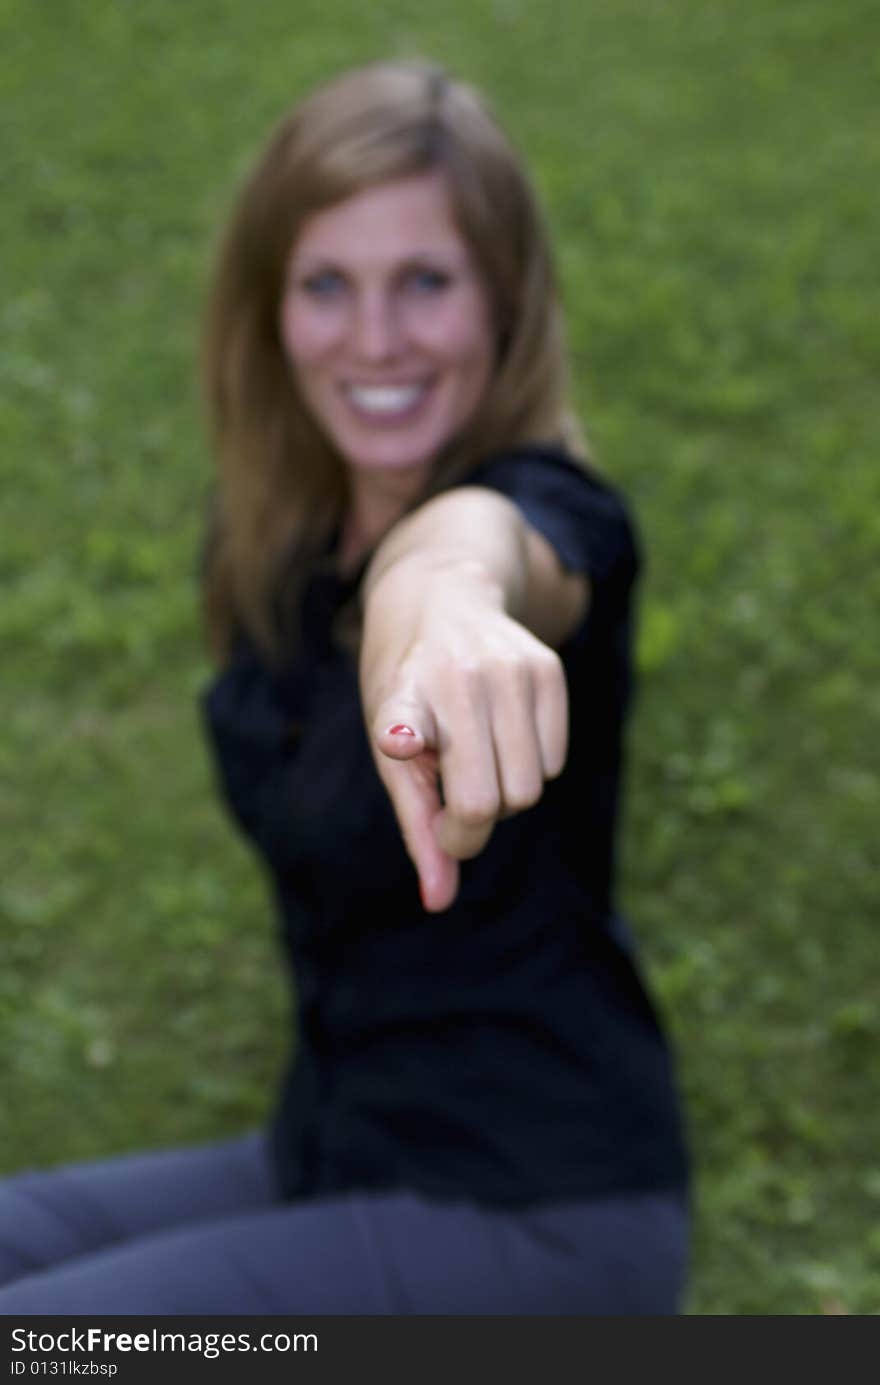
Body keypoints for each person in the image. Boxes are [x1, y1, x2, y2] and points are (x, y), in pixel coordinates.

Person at [0, 59, 690, 1315]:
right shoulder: (271, 542)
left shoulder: (549, 510)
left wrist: (443, 611)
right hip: (328, 1148)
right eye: (328, 284)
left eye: (423, 282)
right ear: (269, 309)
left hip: (541, 1208)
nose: (375, 339)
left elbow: (466, 553)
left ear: (504, 303)